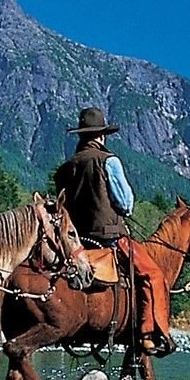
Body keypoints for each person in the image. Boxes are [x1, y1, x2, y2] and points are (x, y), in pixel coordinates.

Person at [53, 105, 169, 354]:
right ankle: (148, 333)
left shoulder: (66, 167)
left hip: (75, 242)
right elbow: (125, 204)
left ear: (82, 136)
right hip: (108, 238)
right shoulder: (109, 161)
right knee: (153, 275)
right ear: (101, 135)